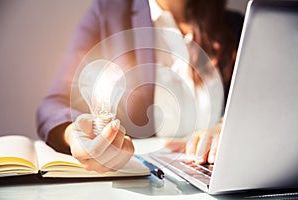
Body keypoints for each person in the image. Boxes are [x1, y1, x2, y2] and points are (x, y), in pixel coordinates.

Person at [36, 0, 243, 173]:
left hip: (217, 173)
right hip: (147, 179)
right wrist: (73, 135)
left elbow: (264, 103)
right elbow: (54, 103)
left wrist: (228, 126)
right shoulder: (110, 13)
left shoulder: (234, 26)